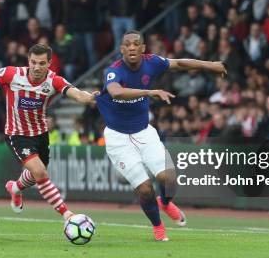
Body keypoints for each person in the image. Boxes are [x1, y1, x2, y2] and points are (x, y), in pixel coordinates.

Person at [95, 30, 226, 241]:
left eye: (135, 44)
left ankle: (164, 203)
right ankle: (158, 227)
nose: (131, 47)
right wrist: (149, 92)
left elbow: (179, 64)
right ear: (121, 50)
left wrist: (208, 65)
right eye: (126, 44)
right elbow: (116, 92)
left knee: (170, 178)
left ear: (143, 48)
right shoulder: (114, 70)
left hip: (144, 132)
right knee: (145, 189)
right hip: (118, 138)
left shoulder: (152, 62)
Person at [0, 44, 97, 221]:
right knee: (40, 173)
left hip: (40, 134)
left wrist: (91, 97)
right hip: (16, 134)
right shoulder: (13, 74)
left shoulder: (54, 81)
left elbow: (76, 94)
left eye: (41, 63)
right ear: (28, 61)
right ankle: (67, 215)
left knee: (36, 174)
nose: (37, 67)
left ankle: (15, 188)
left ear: (49, 64)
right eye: (33, 62)